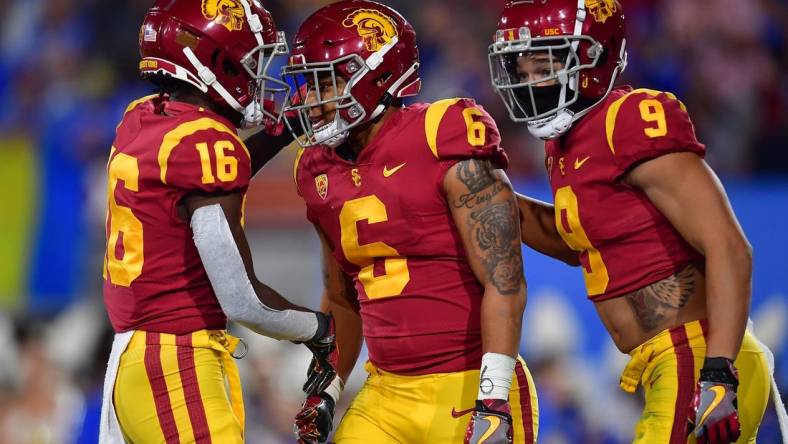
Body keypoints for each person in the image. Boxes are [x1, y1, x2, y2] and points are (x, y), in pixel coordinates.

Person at [487, 1, 774, 443]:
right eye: (521, 71)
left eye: (542, 66)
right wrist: (492, 197)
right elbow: (579, 244)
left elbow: (730, 247)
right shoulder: (566, 141)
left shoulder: (628, 120)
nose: (530, 84)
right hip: (670, 358)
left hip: (697, 354)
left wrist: (718, 372)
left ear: (592, 59)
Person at [285, 1, 538, 443]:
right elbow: (342, 298)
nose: (310, 99)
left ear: (375, 77)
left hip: (467, 383)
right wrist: (326, 390)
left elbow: (505, 279)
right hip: (385, 392)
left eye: (325, 82)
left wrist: (493, 397)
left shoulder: (442, 131)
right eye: (307, 85)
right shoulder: (315, 169)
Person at [98, 1, 336, 443]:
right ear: (213, 62)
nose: (258, 75)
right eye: (251, 61)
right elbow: (242, 300)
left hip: (132, 362)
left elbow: (207, 172)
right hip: (177, 362)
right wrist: (319, 328)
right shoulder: (207, 145)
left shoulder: (143, 116)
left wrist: (281, 132)